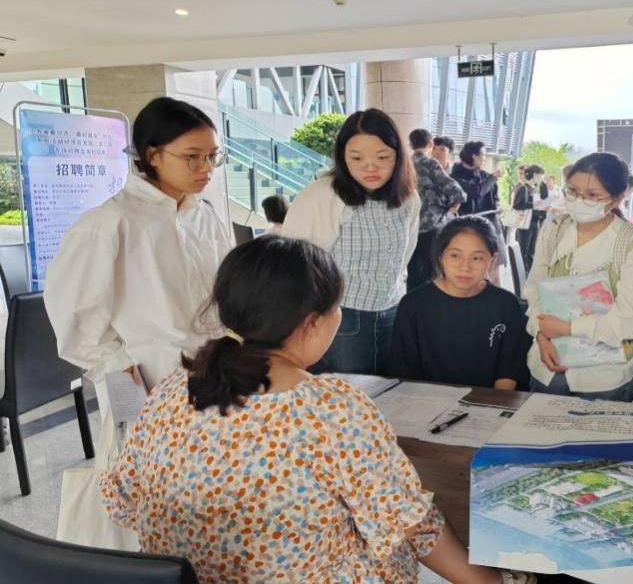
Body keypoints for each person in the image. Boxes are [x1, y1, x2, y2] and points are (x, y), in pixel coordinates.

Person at [100, 236, 527, 584]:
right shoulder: (330, 408)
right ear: (312, 322)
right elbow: (411, 524)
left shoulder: (174, 388)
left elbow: (122, 501)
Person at [45, 96, 233, 389]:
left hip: (215, 373)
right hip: (148, 378)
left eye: (212, 156)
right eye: (192, 156)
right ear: (152, 155)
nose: (206, 168)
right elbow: (74, 314)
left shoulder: (204, 216)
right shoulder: (110, 222)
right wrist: (116, 364)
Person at [281, 109, 420, 375]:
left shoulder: (408, 197)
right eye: (357, 158)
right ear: (343, 157)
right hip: (342, 315)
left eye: (382, 157)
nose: (370, 167)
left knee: (391, 384)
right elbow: (296, 261)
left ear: (398, 156)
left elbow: (404, 255)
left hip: (392, 308)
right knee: (352, 388)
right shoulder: (325, 194)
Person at [523, 153, 633, 400]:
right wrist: (541, 333)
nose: (580, 201)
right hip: (548, 364)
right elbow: (534, 289)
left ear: (617, 197)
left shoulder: (630, 245)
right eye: (573, 191)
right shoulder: (554, 230)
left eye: (593, 195)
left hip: (604, 375)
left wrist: (567, 328)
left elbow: (629, 319)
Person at [390, 216, 531, 390]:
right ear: (441, 257)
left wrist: (493, 403)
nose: (465, 267)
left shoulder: (506, 304)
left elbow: (511, 368)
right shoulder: (413, 305)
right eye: (455, 256)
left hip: (491, 401)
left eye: (477, 258)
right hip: (428, 400)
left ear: (492, 261)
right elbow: (404, 371)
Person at [407, 128, 467, 291]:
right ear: (430, 144)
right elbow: (457, 192)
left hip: (409, 225)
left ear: (410, 145)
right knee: (431, 272)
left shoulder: (404, 164)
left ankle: (410, 302)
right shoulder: (430, 163)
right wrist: (452, 205)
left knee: (411, 271)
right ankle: (427, 305)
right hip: (431, 226)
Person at [451, 141, 507, 280]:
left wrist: (498, 206)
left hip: (492, 226)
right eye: (483, 155)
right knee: (474, 270)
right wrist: (493, 177)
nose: (485, 158)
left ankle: (497, 294)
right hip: (470, 229)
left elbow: (495, 197)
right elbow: (476, 192)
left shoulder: (485, 175)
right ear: (474, 156)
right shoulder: (456, 177)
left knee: (495, 267)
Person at [512, 164, 545, 273]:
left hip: (534, 223)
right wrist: (534, 204)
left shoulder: (534, 189)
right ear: (534, 175)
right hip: (525, 224)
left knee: (531, 251)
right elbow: (517, 205)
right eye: (540, 175)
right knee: (524, 251)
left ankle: (530, 274)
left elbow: (535, 206)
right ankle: (523, 275)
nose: (541, 177)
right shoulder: (524, 188)